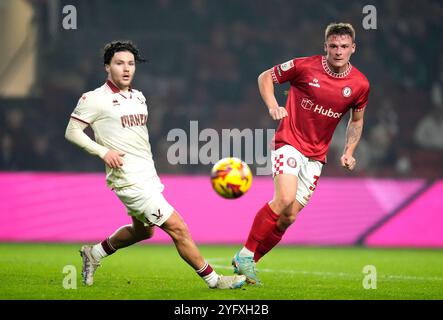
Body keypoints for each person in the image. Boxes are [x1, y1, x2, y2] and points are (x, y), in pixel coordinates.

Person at [65, 40, 246, 289]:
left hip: (148, 177)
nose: (126, 68)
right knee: (178, 228)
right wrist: (103, 151)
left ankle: (94, 253)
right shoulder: (94, 99)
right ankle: (215, 281)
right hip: (128, 180)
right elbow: (72, 131)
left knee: (143, 232)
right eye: (119, 63)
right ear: (107, 67)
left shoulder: (139, 97)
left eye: (130, 63)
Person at [232, 23, 370, 284]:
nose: (338, 51)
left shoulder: (360, 84)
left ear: (353, 48)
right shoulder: (304, 66)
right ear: (325, 46)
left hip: (316, 155)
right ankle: (246, 254)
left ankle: (247, 263)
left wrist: (350, 150)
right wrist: (273, 105)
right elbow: (265, 77)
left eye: (343, 46)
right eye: (333, 46)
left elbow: (357, 120)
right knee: (283, 198)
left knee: (288, 217)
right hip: (289, 140)